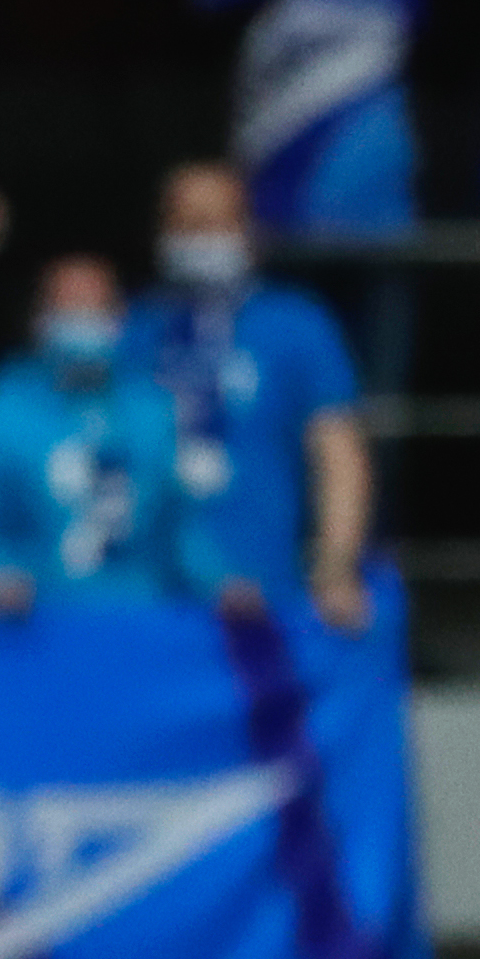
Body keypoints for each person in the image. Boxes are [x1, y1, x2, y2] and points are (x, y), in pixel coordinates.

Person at [208, 0, 427, 390]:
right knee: (286, 392)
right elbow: (205, 11)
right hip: (280, 223)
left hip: (376, 230)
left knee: (377, 403)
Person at [129, 159, 374, 633]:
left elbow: (337, 452)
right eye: (190, 225)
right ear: (163, 233)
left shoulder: (296, 325)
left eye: (219, 223)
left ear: (249, 232)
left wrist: (336, 565)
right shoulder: (135, 332)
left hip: (266, 593)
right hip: (148, 600)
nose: (204, 239)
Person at [0, 255, 210, 613]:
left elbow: (180, 526)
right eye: (69, 309)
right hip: (36, 619)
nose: (83, 321)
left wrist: (219, 580)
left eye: (96, 308)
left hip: (138, 616)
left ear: (120, 317)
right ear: (39, 320)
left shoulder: (153, 411)